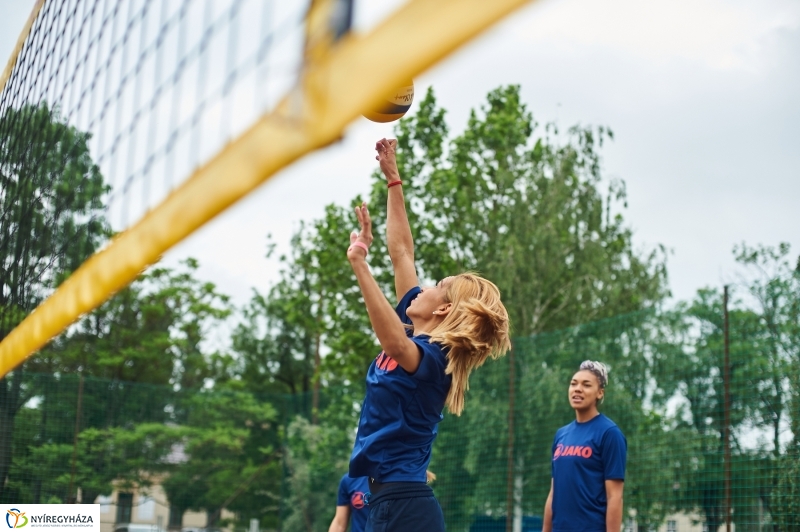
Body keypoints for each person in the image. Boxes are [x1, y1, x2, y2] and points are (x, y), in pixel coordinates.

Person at [345, 138, 511, 532]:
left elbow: (392, 343)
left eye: (437, 284)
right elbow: (402, 252)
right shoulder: (415, 327)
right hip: (383, 500)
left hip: (404, 507)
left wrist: (360, 266)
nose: (424, 286)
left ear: (442, 309)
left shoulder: (434, 359)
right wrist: (393, 180)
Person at [542, 360, 627, 532]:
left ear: (600, 393)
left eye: (586, 385)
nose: (577, 389)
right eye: (573, 384)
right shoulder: (561, 435)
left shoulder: (609, 433)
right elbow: (553, 493)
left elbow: (615, 497)